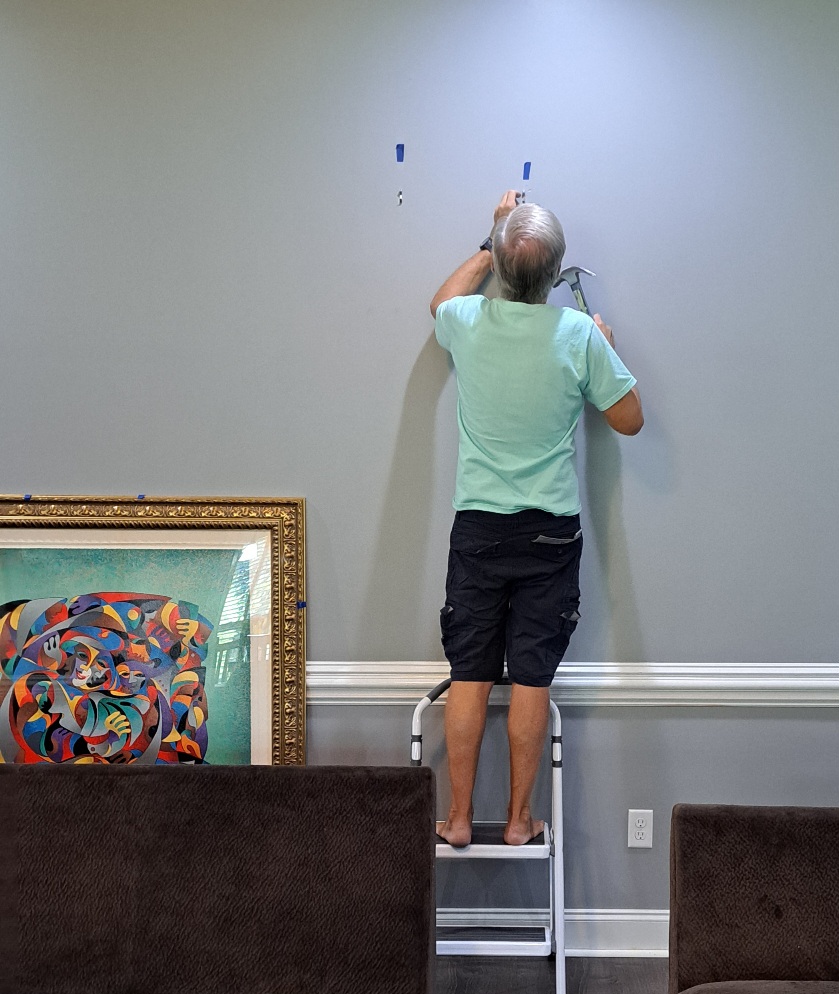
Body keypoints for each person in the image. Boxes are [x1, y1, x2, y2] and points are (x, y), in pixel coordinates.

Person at [431, 190, 643, 847]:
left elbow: (440, 301)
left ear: (498, 265)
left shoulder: (467, 320)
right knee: (530, 678)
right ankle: (519, 820)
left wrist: (491, 233)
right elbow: (629, 420)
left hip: (478, 527)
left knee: (469, 674)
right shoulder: (577, 334)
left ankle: (458, 819)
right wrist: (605, 349)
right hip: (550, 531)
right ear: (556, 275)